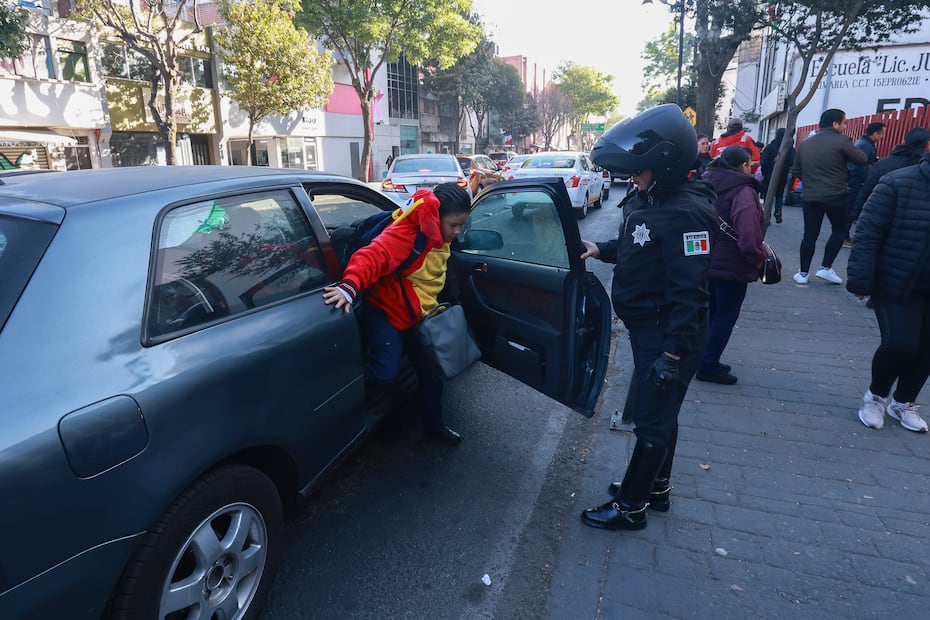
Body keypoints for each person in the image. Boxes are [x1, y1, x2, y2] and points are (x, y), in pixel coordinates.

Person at [578, 103, 718, 531]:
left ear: (667, 163)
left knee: (653, 421)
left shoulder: (687, 214)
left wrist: (673, 356)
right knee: (664, 414)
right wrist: (601, 249)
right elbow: (639, 245)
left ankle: (630, 509)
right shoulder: (653, 199)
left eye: (639, 171)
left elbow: (691, 293)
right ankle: (656, 489)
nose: (633, 179)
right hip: (650, 331)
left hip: (668, 335)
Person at [322, 183, 472, 445]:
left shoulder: (440, 235)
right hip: (387, 311)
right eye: (453, 225)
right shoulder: (408, 233)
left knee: (431, 372)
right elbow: (371, 256)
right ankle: (345, 386)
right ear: (435, 217)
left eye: (462, 225)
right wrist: (349, 287)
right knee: (384, 372)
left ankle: (434, 425)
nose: (457, 232)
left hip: (417, 313)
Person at [846, 151, 930, 434]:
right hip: (896, 282)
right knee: (900, 344)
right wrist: (860, 280)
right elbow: (868, 232)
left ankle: (904, 402)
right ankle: (876, 396)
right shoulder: (897, 183)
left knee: (926, 350)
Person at [695, 146, 766, 385]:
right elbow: (749, 233)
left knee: (709, 314)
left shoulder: (705, 182)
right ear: (744, 165)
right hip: (731, 265)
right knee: (724, 317)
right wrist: (756, 259)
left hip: (704, 260)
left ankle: (703, 358)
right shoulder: (743, 191)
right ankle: (707, 364)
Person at [787, 108, 867, 285]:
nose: (845, 126)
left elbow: (797, 170)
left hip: (810, 196)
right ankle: (825, 268)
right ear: (835, 124)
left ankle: (803, 273)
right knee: (840, 229)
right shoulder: (842, 141)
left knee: (810, 234)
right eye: (844, 122)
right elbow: (861, 159)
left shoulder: (805, 144)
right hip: (836, 195)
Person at [852, 127, 930, 219]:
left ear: (903, 141)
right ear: (928, 145)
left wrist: (857, 212)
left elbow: (867, 190)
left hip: (880, 217)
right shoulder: (925, 168)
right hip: (917, 223)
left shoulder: (882, 164)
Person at [844, 122, 886, 246]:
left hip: (855, 180)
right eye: (882, 134)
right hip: (856, 182)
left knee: (851, 208)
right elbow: (859, 166)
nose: (883, 137)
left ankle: (844, 235)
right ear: (875, 133)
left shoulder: (863, 143)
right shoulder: (866, 146)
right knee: (852, 208)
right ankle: (844, 236)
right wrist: (868, 178)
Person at [760, 128, 795, 224]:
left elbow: (764, 162)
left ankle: (767, 215)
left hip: (769, 174)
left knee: (768, 195)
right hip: (783, 174)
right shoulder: (790, 148)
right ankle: (778, 211)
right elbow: (793, 162)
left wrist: (764, 173)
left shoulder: (770, 147)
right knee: (779, 194)